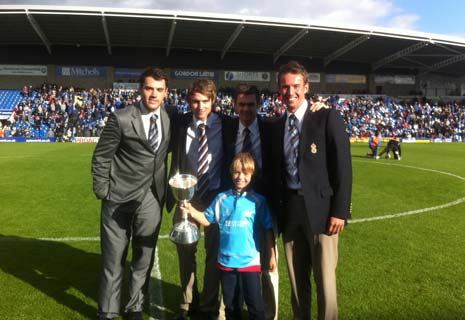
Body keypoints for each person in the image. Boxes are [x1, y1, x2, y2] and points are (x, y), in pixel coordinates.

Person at [269, 61, 352, 320]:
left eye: (295, 86)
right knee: (296, 280)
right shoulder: (276, 125)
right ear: (279, 89)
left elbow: (343, 167)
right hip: (290, 210)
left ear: (306, 87)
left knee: (325, 280)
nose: (290, 92)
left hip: (322, 212)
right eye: (285, 86)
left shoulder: (326, 117)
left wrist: (340, 210)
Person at [91, 67, 171, 320]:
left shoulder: (169, 119)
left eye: (159, 90)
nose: (153, 94)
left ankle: (134, 307)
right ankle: (108, 310)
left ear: (166, 93)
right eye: (149, 88)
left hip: (151, 198)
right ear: (140, 89)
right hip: (118, 198)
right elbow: (102, 156)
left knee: (143, 258)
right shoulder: (122, 118)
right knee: (114, 259)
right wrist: (103, 190)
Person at [180, 152, 277, 320]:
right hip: (226, 263)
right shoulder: (221, 198)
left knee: (256, 307)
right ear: (231, 173)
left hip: (249, 263)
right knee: (231, 307)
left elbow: (267, 228)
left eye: (245, 173)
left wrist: (272, 255)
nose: (240, 177)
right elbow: (207, 219)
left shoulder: (258, 201)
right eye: (236, 172)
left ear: (252, 175)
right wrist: (191, 210)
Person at [166, 79, 229, 320]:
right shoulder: (180, 123)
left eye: (205, 101)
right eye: (195, 101)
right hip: (186, 198)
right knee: (185, 251)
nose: (200, 106)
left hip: (216, 199)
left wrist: (317, 107)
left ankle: (211, 307)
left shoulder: (227, 124)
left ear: (213, 101)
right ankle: (187, 303)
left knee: (215, 255)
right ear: (189, 101)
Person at [223, 83, 278, 320]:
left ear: (259, 105)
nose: (246, 109)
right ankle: (226, 311)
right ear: (234, 105)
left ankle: (267, 313)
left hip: (265, 204)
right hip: (234, 206)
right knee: (230, 257)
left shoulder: (272, 128)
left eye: (251, 104)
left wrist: (320, 107)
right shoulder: (225, 127)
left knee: (268, 262)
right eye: (242, 104)